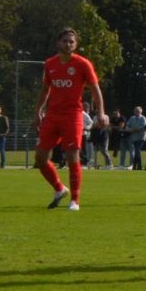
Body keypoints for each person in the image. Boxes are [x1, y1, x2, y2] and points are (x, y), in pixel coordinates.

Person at [33, 28, 107, 210]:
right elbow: (45, 90)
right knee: (40, 157)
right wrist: (38, 111)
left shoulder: (83, 64)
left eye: (71, 41)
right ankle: (59, 189)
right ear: (58, 43)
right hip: (52, 115)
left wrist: (101, 112)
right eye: (65, 41)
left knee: (72, 155)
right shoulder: (50, 64)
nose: (68, 44)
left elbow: (95, 89)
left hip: (72, 115)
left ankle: (75, 200)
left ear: (76, 44)